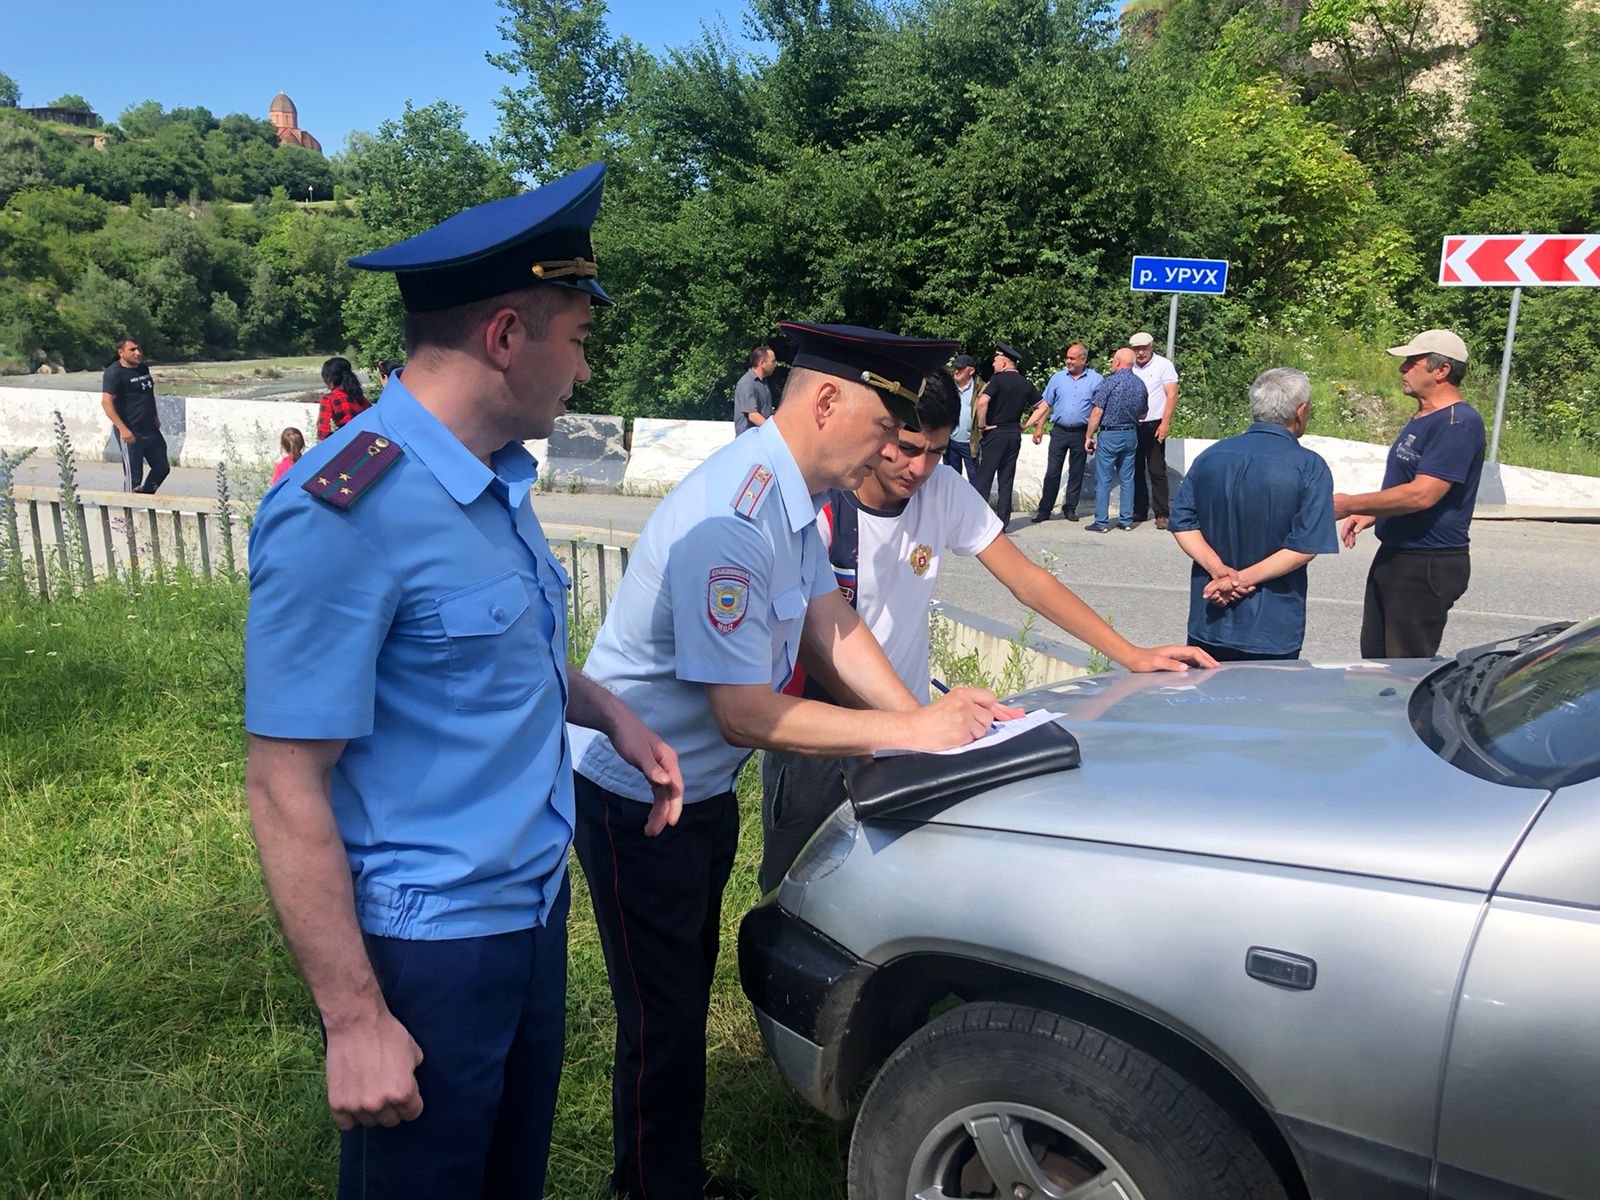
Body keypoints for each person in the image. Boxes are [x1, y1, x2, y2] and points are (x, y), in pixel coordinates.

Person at [243, 163, 684, 1200]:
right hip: (426, 948)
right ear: (506, 336)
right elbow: (284, 781)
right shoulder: (345, 509)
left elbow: (498, 653)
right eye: (578, 338)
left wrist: (610, 713)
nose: (584, 370)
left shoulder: (490, 482)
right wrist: (356, 1019)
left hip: (529, 910)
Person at [568, 322, 1015, 1200]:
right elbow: (741, 712)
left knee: (679, 996)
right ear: (826, 402)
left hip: (697, 786)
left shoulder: (788, 497)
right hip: (636, 797)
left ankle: (666, 1174)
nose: (890, 452)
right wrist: (907, 731)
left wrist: (921, 716)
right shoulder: (733, 517)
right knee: (662, 1011)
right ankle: (653, 1187)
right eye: (883, 428)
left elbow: (830, 624)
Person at [759, 369, 1214, 890]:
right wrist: (903, 723)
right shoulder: (823, 506)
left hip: (911, 734)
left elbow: (1027, 580)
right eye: (907, 448)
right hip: (822, 733)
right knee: (797, 882)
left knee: (891, 884)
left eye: (936, 452)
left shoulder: (943, 490)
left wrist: (1130, 654)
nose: (919, 468)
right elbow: (817, 641)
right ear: (880, 430)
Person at [1167, 368, 1339, 661]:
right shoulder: (1310, 466)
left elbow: (1182, 523)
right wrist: (1241, 579)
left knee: (1207, 688)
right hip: (1272, 626)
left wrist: (1218, 571)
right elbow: (1304, 546)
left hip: (1210, 613)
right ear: (1300, 411)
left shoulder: (1211, 455)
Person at [1334, 329, 1484, 658]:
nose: (1402, 368)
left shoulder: (1456, 424)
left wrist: (1349, 503)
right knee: (1376, 662)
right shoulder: (1425, 415)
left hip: (1425, 563)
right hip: (1399, 554)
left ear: (1441, 370)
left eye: (1412, 362)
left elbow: (1422, 495)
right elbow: (1409, 482)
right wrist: (1374, 512)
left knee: (1402, 671)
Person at [1025, 344, 1102, 523]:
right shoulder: (1058, 378)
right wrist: (1039, 428)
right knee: (1052, 471)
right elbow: (1045, 404)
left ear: (1083, 359)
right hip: (1059, 431)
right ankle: (1045, 509)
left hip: (1081, 432)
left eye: (1072, 358)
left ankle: (1070, 508)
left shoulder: (1096, 379)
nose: (1068, 361)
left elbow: (1097, 409)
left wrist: (1091, 434)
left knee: (1077, 471)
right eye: (1067, 357)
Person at [969, 341, 1039, 527]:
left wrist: (982, 426)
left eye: (995, 360)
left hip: (995, 432)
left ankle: (978, 520)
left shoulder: (997, 380)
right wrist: (1025, 425)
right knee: (1006, 480)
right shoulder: (1025, 383)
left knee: (984, 478)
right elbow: (1043, 407)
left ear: (1004, 362)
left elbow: (983, 402)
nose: (993, 364)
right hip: (1013, 434)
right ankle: (1002, 522)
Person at [1083, 348, 1145, 532]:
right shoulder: (1140, 384)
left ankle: (1101, 522)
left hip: (1110, 434)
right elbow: (1143, 413)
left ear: (1117, 362)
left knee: (1104, 479)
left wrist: (1089, 435)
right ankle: (1126, 520)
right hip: (1131, 433)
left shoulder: (1109, 382)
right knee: (1127, 479)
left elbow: (1097, 411)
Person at [101, 334, 170, 495]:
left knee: (162, 467)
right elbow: (106, 403)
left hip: (150, 429)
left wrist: (155, 416)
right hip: (130, 431)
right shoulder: (114, 373)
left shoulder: (143, 368)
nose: (137, 353)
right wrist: (123, 429)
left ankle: (145, 498)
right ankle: (130, 508)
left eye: (138, 349)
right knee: (134, 478)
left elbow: (148, 395)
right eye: (132, 350)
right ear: (121, 352)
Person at [1128, 331, 1179, 529]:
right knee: (1135, 469)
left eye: (1143, 349)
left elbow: (1171, 394)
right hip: (1133, 424)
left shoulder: (1163, 365)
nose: (1140, 353)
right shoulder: (1129, 365)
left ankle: (1162, 513)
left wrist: (1165, 423)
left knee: (1157, 470)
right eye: (1136, 349)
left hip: (1154, 423)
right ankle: (1140, 510)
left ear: (1150, 347)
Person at [316, 356, 372, 442]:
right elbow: (371, 418)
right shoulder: (359, 397)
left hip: (342, 443)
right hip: (364, 441)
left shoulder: (329, 399)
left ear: (328, 379)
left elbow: (323, 432)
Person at [943, 353, 979, 479]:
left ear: (971, 371)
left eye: (961, 368)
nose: (956, 371)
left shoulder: (980, 389)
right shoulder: (948, 387)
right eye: (955, 367)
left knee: (975, 479)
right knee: (952, 478)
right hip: (951, 442)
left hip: (971, 444)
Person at [732, 344, 777, 434]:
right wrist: (773, 432)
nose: (775, 365)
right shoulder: (747, 383)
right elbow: (752, 415)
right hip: (749, 439)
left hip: (760, 437)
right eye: (772, 361)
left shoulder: (763, 383)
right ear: (762, 363)